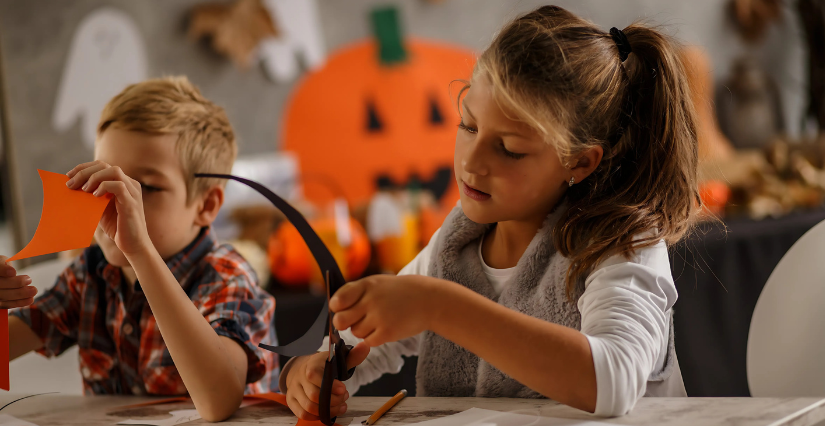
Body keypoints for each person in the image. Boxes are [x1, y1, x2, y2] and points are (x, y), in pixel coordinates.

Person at [282, 5, 698, 419]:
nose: (471, 163)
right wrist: (312, 372)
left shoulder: (622, 244)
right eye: (468, 126)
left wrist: (440, 306)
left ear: (579, 162)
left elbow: (614, 381)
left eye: (510, 149)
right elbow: (361, 346)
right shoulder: (454, 245)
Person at [3, 76, 278, 422]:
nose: (118, 203)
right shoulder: (88, 276)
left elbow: (219, 402)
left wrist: (141, 252)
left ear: (206, 205)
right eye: (103, 182)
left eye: (145, 186)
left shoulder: (226, 277)